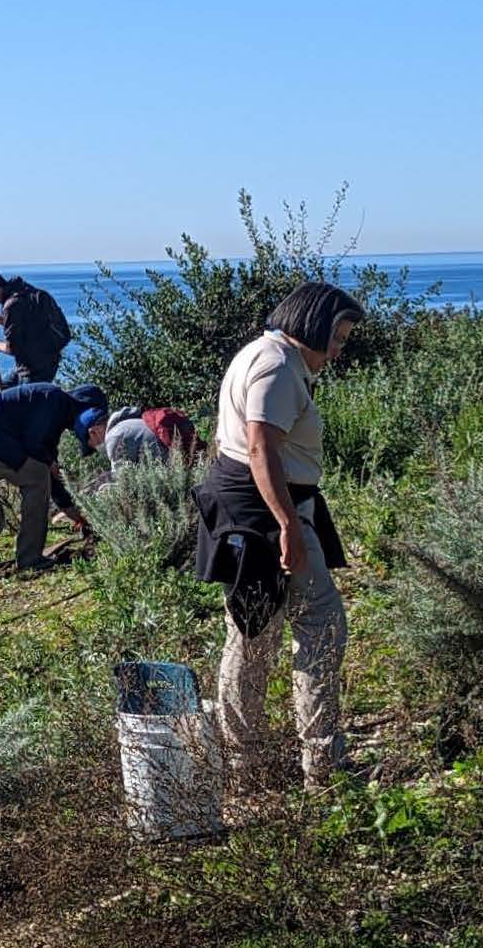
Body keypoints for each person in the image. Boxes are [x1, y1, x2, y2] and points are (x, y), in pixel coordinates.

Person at [192, 281, 363, 790]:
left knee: (252, 632)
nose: (338, 352)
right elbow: (262, 448)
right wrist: (288, 525)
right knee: (318, 627)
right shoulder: (277, 366)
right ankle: (319, 766)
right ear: (314, 324)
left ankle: (245, 764)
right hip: (267, 511)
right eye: (338, 338)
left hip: (258, 505)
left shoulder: (261, 353)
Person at [0, 381, 106, 592]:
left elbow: (49, 477)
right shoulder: (54, 399)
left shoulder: (53, 415)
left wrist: (76, 516)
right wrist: (48, 464)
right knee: (37, 475)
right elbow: (37, 457)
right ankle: (30, 559)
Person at [0, 269, 72, 387]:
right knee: (0, 389)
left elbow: (13, 348)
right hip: (49, 362)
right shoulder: (26, 292)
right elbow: (26, 326)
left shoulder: (11, 305)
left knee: (21, 402)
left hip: (31, 369)